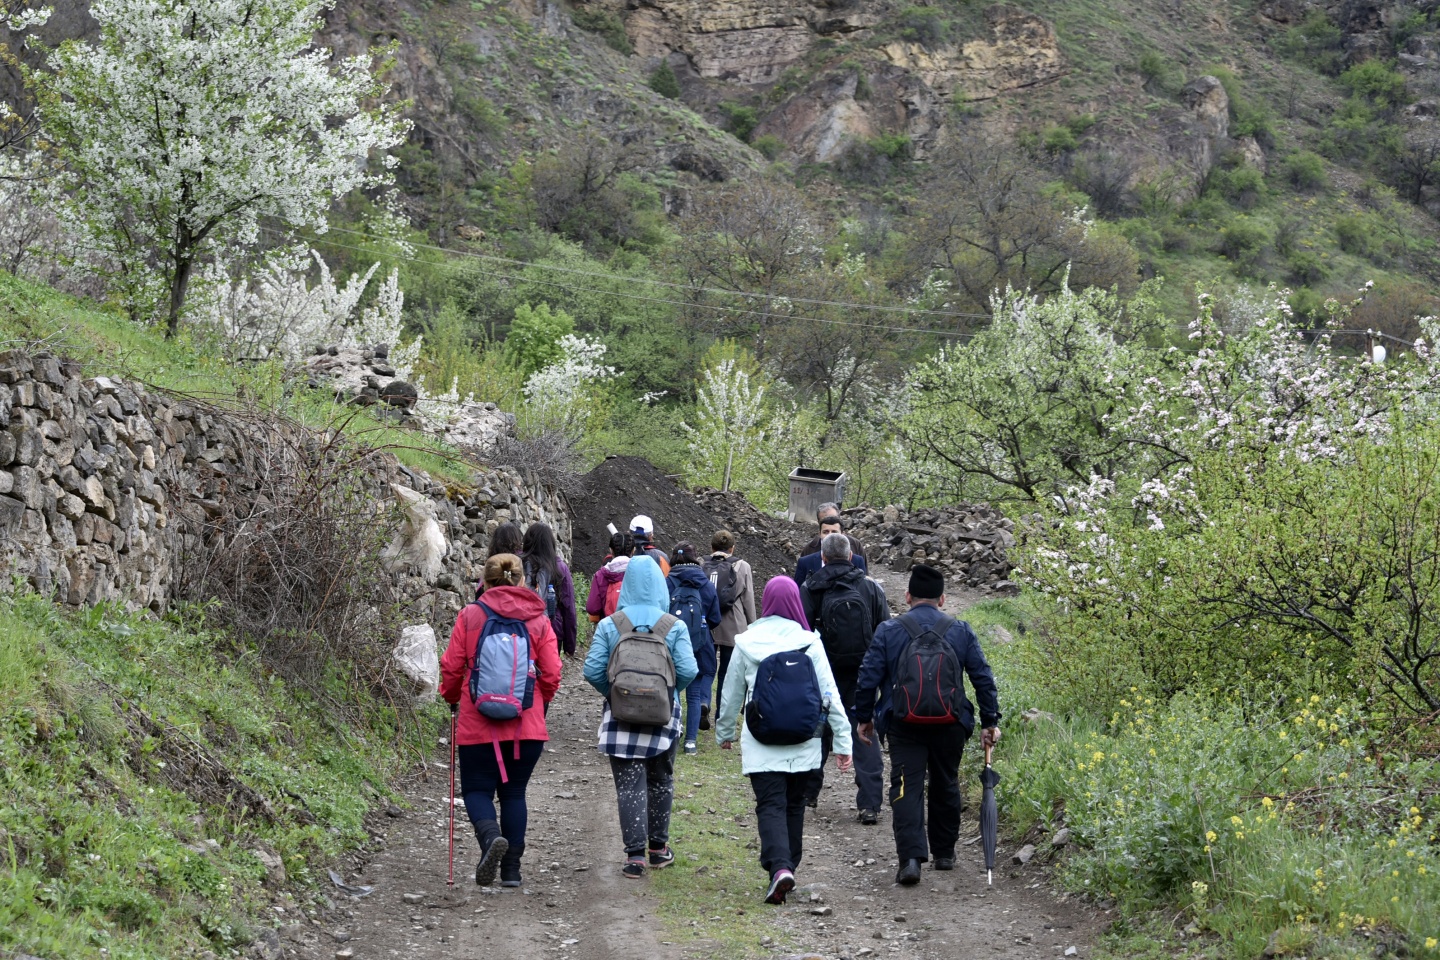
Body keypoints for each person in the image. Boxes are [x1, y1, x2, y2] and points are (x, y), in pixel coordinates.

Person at [854, 564, 1001, 886]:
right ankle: (945, 853)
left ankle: (910, 859)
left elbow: (868, 678)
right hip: (951, 722)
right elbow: (983, 678)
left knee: (906, 786)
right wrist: (990, 721)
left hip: (904, 722)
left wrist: (864, 718)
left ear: (907, 597)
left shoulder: (890, 630)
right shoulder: (960, 630)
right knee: (946, 781)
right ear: (943, 599)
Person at [717, 575, 853, 904]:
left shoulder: (748, 641)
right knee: (794, 805)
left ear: (766, 602)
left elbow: (731, 693)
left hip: (761, 741)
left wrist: (724, 732)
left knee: (770, 804)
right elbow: (829, 695)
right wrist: (843, 742)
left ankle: (780, 869)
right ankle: (787, 865)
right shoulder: (810, 641)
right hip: (805, 741)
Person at [440, 553, 563, 888]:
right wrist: (541, 700)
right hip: (526, 725)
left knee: (477, 790)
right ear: (522, 579)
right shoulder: (538, 618)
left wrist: (451, 697)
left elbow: (451, 667)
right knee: (514, 793)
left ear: (486, 580)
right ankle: (511, 871)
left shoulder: (471, 615)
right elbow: (552, 674)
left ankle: (490, 837)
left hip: (477, 723)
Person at [584, 555, 698, 879]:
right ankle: (659, 850)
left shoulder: (611, 624)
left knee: (628, 786)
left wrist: (615, 693)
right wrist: (670, 694)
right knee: (661, 779)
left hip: (620, 719)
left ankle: (635, 857)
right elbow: (689, 669)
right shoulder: (672, 625)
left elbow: (592, 670)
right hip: (663, 719)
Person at [800, 532, 890, 822]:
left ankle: (807, 793)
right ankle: (870, 804)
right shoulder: (870, 588)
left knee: (819, 727)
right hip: (863, 673)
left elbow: (801, 633)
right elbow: (884, 631)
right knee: (864, 730)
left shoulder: (811, 587)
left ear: (823, 557)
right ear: (851, 556)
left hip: (823, 672)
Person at [666, 541, 722, 755]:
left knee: (673, 688)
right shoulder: (706, 584)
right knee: (695, 693)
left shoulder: (667, 582)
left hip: (672, 642)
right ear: (695, 557)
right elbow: (716, 617)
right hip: (700, 643)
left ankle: (674, 731)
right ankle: (691, 743)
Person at [705, 530, 756, 721]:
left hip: (708, 624)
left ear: (712, 548)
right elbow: (748, 599)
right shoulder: (743, 566)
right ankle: (721, 715)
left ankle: (704, 703)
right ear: (732, 547)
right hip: (733, 625)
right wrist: (752, 623)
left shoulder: (703, 564)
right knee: (726, 674)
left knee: (707, 668)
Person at [521, 522, 578, 658]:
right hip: (551, 630)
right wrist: (570, 645)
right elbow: (568, 607)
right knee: (548, 673)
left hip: (521, 629)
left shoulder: (518, 564)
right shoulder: (559, 568)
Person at [794, 514, 869, 587]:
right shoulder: (805, 562)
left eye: (834, 532)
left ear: (843, 534)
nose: (830, 535)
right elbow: (797, 593)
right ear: (819, 534)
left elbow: (864, 589)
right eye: (825, 532)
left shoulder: (857, 561)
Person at [585, 531, 632, 624]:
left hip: (609, 627)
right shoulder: (639, 572)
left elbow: (592, 608)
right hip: (634, 628)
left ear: (611, 550)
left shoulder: (601, 575)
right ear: (633, 550)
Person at [798, 502, 867, 564]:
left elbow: (864, 575)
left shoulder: (855, 545)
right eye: (825, 520)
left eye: (833, 519)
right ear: (819, 523)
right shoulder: (809, 549)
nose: (830, 523)